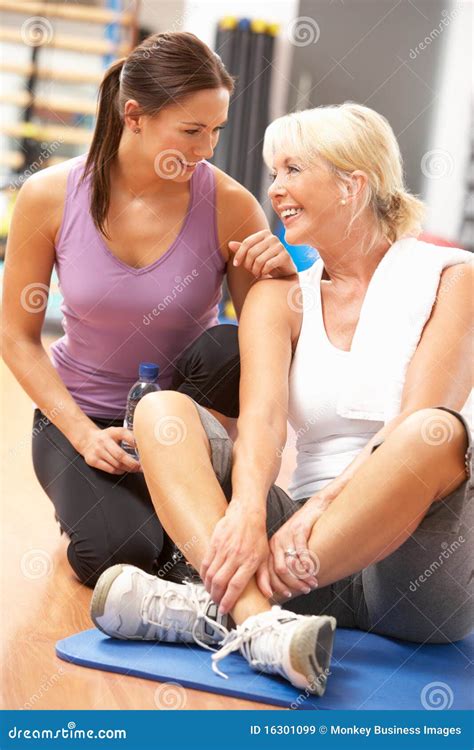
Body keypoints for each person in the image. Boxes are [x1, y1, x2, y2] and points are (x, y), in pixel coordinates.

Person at [92, 101, 472, 695]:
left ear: (353, 183)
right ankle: (258, 623)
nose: (276, 191)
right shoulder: (278, 297)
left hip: (412, 574)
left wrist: (322, 510)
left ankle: (208, 608)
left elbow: (416, 418)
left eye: (292, 170)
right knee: (160, 410)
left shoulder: (453, 277)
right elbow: (264, 423)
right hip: (300, 553)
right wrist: (247, 512)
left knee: (436, 432)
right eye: (274, 174)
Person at [1, 32, 296, 589]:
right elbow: (15, 336)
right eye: (191, 131)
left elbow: (269, 339)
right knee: (119, 557)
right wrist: (84, 435)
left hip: (185, 418)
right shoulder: (48, 196)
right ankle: (146, 517)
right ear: (134, 115)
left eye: (216, 131)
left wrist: (286, 280)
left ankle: (190, 494)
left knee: (227, 345)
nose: (206, 148)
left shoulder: (231, 205)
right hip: (84, 417)